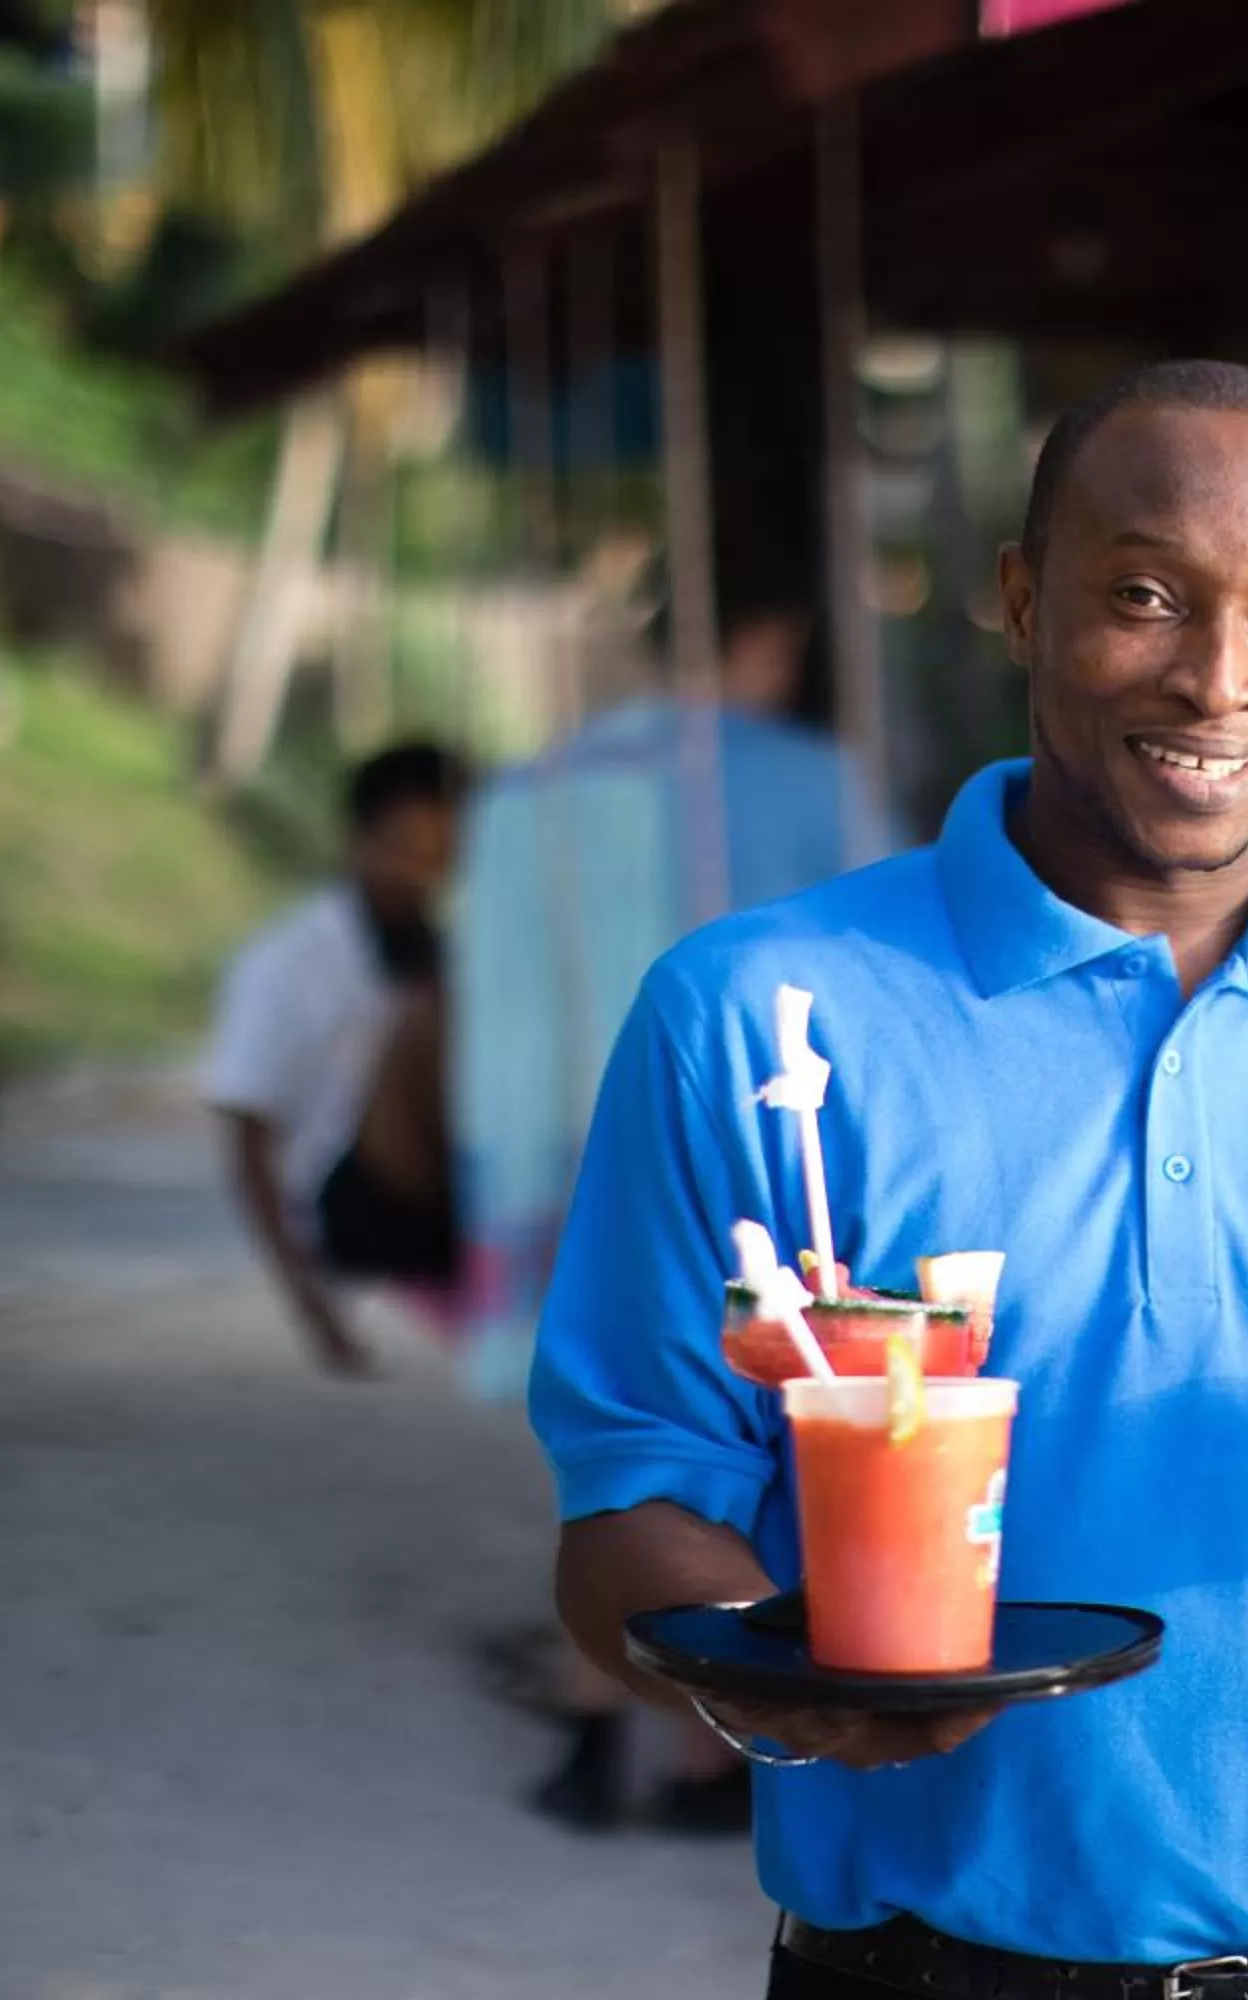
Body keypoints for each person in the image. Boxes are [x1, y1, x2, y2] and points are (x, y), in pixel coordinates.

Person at [532, 360, 1248, 1999]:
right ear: (1022, 601)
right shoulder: (759, 1017)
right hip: (931, 1974)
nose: (1221, 680)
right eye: (1144, 597)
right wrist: (765, 1670)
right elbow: (627, 1522)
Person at [455, 565, 894, 1836]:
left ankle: (605, 1736)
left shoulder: (537, 786)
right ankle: (711, 1757)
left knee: (616, 1456)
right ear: (765, 632)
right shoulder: (805, 776)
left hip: (569, 1144)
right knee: (752, 1446)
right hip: (763, 1158)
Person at [202, 742, 467, 1377]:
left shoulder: (446, 950)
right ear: (360, 839)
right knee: (429, 1016)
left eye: (441, 854)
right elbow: (246, 1137)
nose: (421, 872)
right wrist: (315, 1313)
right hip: (345, 1207)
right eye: (407, 846)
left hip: (444, 1197)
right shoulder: (285, 961)